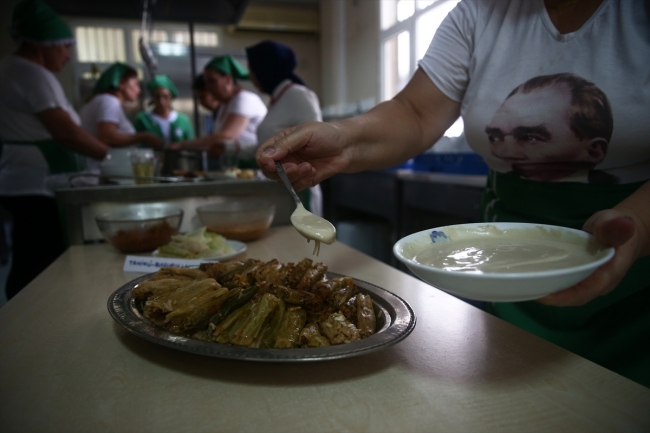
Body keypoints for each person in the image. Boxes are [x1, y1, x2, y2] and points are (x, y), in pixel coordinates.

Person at [255, 0, 650, 387]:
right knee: (506, 387)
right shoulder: (479, 13)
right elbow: (416, 112)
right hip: (500, 270)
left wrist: (639, 224)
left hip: (634, 276)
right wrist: (344, 141)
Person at [0, 0, 109, 300]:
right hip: (37, 183)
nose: (67, 55)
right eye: (62, 47)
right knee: (37, 261)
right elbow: (66, 132)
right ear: (42, 44)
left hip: (26, 180)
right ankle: (25, 320)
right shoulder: (29, 72)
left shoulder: (15, 69)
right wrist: (111, 158)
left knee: (31, 256)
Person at [245, 40, 323, 216]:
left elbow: (316, 143)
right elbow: (270, 145)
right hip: (281, 188)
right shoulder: (277, 100)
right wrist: (231, 149)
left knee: (304, 242)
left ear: (266, 68)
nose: (251, 76)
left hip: (300, 189)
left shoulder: (298, 96)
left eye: (253, 69)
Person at [169, 55, 267, 163]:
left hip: (255, 164)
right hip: (237, 165)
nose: (208, 87)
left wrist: (181, 145)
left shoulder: (244, 99)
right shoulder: (225, 105)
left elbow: (226, 136)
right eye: (206, 82)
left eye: (212, 81)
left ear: (228, 80)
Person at [80, 62, 163, 163]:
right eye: (136, 84)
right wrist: (143, 137)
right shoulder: (109, 101)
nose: (139, 90)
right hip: (102, 169)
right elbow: (107, 137)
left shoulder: (102, 100)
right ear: (122, 84)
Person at [133, 75, 195, 146]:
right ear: (152, 97)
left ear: (171, 96)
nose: (161, 101)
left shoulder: (183, 121)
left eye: (165, 96)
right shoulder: (143, 119)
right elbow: (136, 145)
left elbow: (191, 145)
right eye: (157, 96)